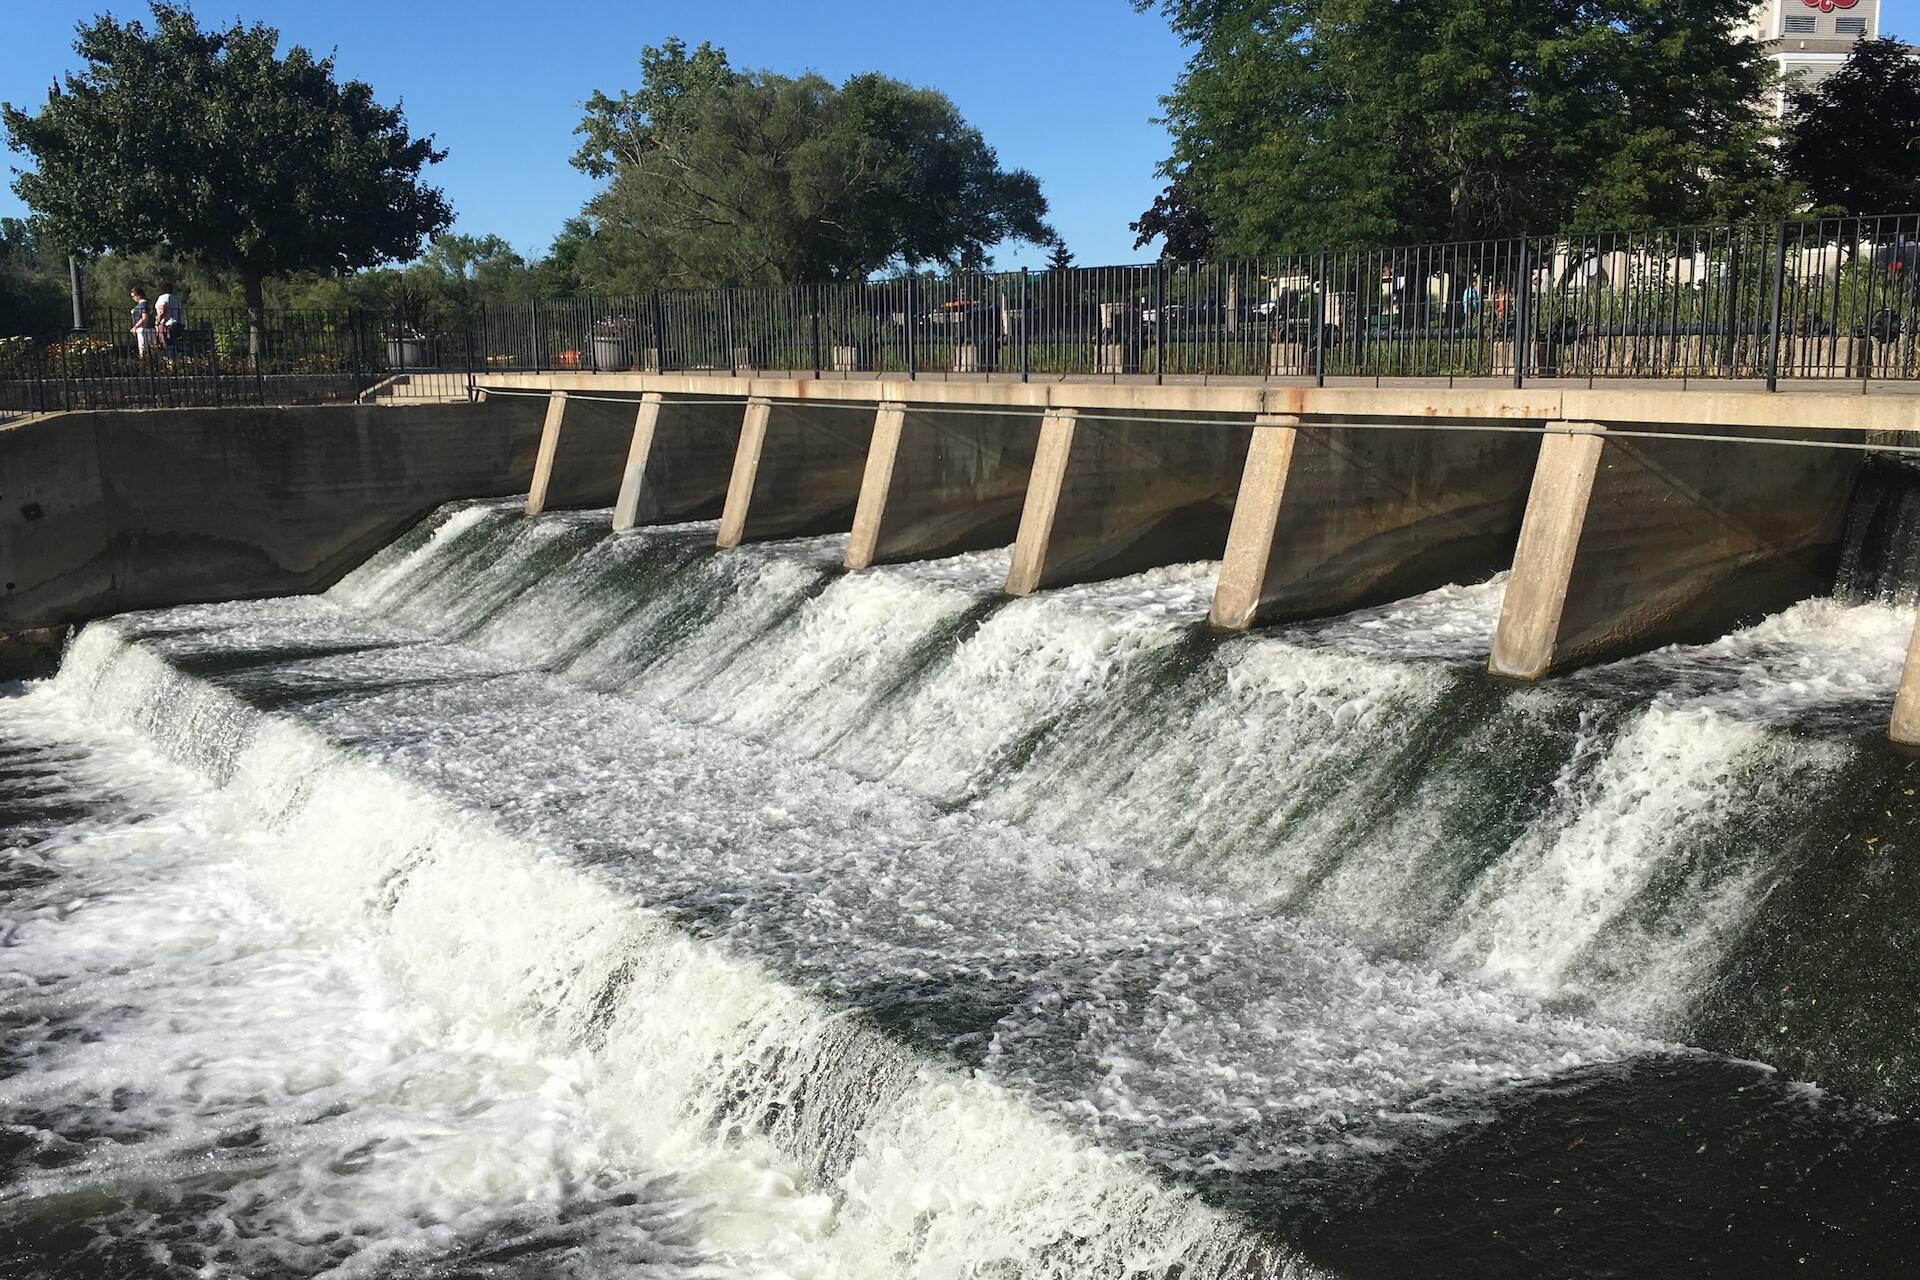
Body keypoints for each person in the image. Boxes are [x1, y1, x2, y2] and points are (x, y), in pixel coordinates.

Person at [155, 280, 184, 359]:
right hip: (178, 323)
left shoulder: (162, 298)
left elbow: (162, 311)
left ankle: (171, 362)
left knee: (168, 345)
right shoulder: (176, 298)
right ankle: (177, 359)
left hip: (167, 324)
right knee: (175, 344)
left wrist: (157, 321)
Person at [129, 286, 155, 357]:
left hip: (143, 329)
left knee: (142, 348)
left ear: (138, 295)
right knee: (152, 348)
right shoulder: (148, 304)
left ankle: (144, 364)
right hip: (150, 328)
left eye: (133, 296)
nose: (133, 298)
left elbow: (144, 317)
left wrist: (135, 327)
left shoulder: (143, 305)